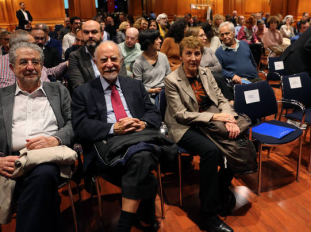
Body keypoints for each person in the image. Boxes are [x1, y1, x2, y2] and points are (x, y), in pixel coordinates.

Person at [72, 41, 169, 232]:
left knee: (140, 157)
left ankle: (124, 225)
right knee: (144, 168)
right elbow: (80, 126)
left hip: (139, 136)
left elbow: (153, 112)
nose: (109, 64)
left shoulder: (134, 85)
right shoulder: (83, 92)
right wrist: (112, 128)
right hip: (107, 144)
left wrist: (143, 123)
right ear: (95, 62)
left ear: (122, 60)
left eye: (114, 59)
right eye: (104, 60)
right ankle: (142, 220)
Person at [0, 41, 74, 232]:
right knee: (45, 191)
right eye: (23, 62)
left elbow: (73, 124)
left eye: (35, 62)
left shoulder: (59, 91)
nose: (30, 67)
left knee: (43, 175)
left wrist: (56, 139)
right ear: (12, 68)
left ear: (42, 66)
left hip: (47, 158)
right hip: (8, 164)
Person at [164, 36, 237, 232]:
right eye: (188, 53)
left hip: (208, 120)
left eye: (197, 53)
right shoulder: (171, 80)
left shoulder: (206, 73)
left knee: (236, 140)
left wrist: (229, 118)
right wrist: (214, 118)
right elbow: (180, 114)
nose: (193, 58)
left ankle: (221, 190)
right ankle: (207, 214)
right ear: (181, 56)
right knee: (211, 151)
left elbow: (221, 99)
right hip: (183, 126)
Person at [0, 30, 68, 89]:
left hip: (47, 93)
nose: (36, 46)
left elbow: (48, 73)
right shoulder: (5, 60)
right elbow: (5, 89)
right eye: (32, 44)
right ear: (20, 45)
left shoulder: (33, 58)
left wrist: (66, 64)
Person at [68, 20, 126, 91]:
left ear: (102, 34)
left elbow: (123, 80)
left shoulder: (114, 50)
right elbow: (79, 87)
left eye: (94, 32)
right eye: (86, 32)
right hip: (90, 98)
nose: (90, 36)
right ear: (82, 35)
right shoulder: (75, 56)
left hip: (115, 93)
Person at [185, 26, 234, 103]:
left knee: (218, 77)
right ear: (193, 37)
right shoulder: (190, 54)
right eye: (201, 36)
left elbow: (218, 67)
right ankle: (230, 101)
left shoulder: (208, 50)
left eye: (205, 35)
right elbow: (196, 69)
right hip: (199, 80)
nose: (205, 38)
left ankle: (229, 102)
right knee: (217, 77)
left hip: (213, 79)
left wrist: (207, 69)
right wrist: (208, 69)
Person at [132, 29, 171, 104]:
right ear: (148, 44)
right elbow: (138, 86)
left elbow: (169, 76)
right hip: (148, 94)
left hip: (164, 91)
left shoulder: (163, 57)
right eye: (157, 39)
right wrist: (152, 90)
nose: (160, 41)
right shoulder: (139, 62)